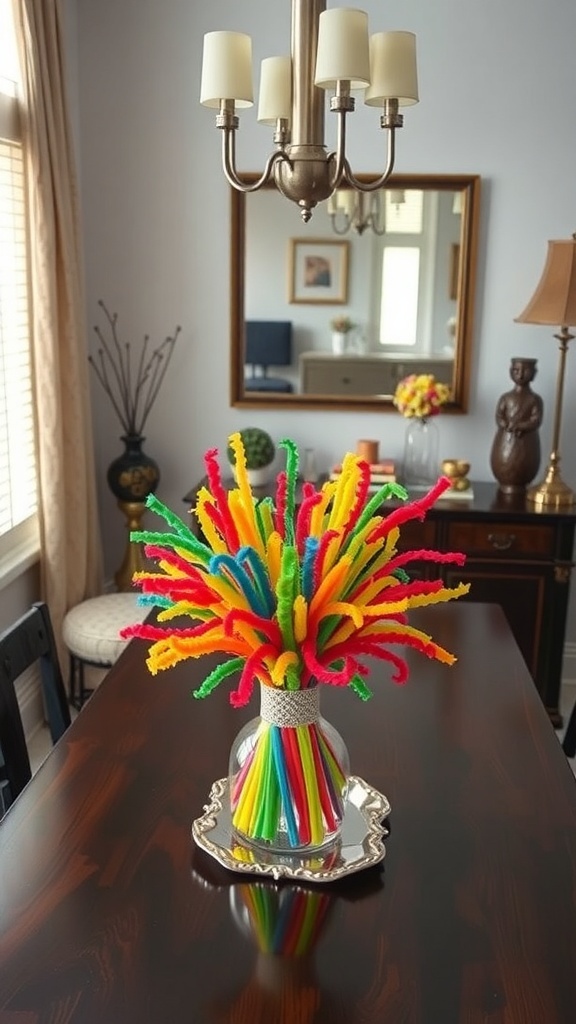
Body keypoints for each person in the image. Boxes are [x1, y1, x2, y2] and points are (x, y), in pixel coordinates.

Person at [490, 357, 543, 493]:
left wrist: (519, 426)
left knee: (524, 461)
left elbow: (535, 421)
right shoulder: (506, 398)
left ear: (534, 373)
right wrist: (506, 424)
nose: (520, 374)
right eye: (516, 370)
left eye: (525, 371)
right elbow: (499, 416)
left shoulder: (535, 399)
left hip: (527, 443)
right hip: (505, 441)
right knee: (504, 461)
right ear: (510, 372)